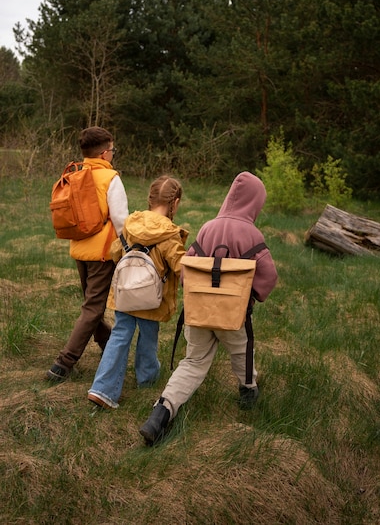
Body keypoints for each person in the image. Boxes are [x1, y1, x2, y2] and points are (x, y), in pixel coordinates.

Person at [139, 171, 278, 445]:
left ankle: (163, 409)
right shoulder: (252, 233)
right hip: (232, 313)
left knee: (193, 361)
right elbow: (269, 275)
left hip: (199, 310)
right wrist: (254, 295)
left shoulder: (208, 227)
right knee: (241, 349)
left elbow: (189, 266)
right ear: (254, 203)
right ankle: (248, 390)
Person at [87, 175, 188, 409]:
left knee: (120, 335)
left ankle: (102, 389)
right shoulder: (169, 233)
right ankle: (147, 380)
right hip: (152, 299)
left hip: (124, 293)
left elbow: (115, 251)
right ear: (175, 204)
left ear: (150, 199)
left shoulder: (130, 225)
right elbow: (179, 266)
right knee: (148, 337)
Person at [47, 126, 129, 381]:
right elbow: (120, 219)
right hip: (102, 254)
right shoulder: (110, 178)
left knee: (91, 306)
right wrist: (130, 249)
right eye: (112, 150)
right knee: (93, 309)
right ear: (105, 153)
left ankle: (106, 344)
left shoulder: (74, 173)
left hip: (78, 249)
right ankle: (63, 363)